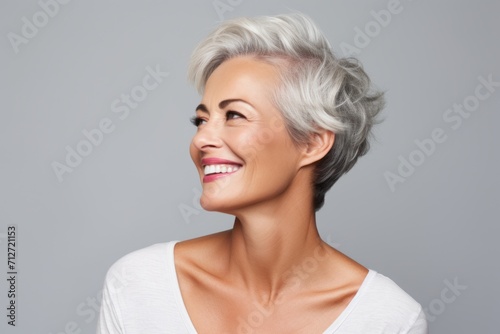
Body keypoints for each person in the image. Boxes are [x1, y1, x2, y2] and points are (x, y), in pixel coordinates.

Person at [96, 13, 428, 333]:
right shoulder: (138, 285)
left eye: (235, 115)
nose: (201, 139)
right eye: (201, 119)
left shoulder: (387, 319)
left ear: (312, 143)